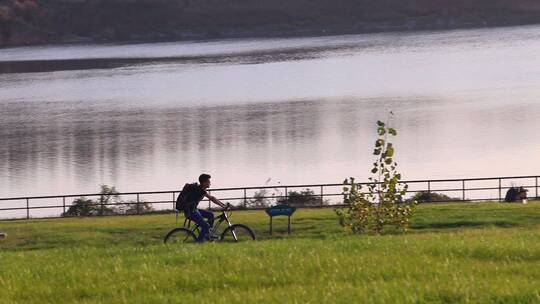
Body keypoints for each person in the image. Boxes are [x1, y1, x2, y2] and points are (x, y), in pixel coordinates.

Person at [178, 174, 227, 242]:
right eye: (208, 181)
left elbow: (212, 198)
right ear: (204, 183)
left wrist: (223, 205)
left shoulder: (200, 188)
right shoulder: (200, 190)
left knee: (210, 215)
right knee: (205, 226)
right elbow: (212, 198)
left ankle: (207, 234)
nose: (210, 183)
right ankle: (199, 242)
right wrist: (223, 206)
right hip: (191, 212)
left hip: (193, 209)